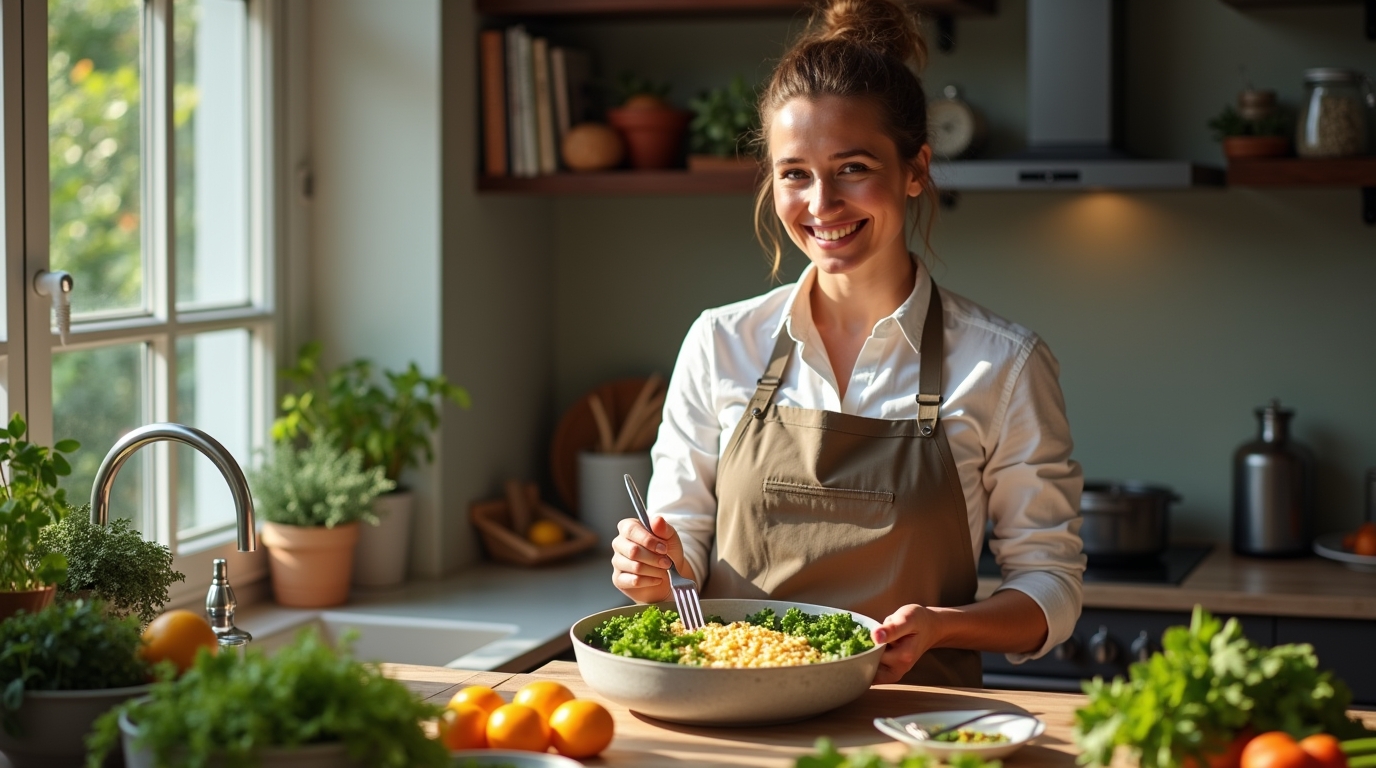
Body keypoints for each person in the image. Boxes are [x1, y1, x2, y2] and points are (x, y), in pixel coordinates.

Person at [609, 0, 1084, 686]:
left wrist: (946, 627)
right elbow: (679, 563)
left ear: (916, 169)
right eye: (795, 173)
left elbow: (1051, 588)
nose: (821, 204)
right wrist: (653, 570)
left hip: (916, 731)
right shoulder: (721, 342)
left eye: (853, 167)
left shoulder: (1003, 364)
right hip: (736, 726)